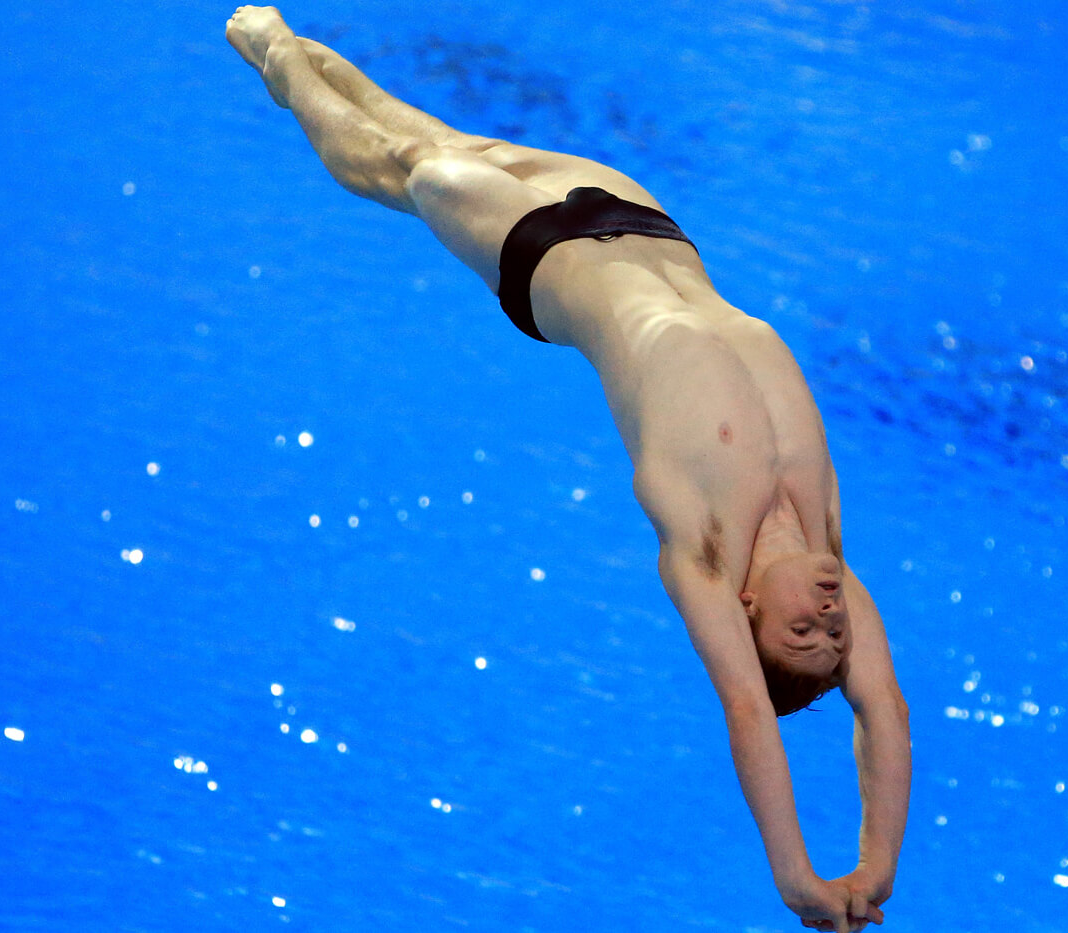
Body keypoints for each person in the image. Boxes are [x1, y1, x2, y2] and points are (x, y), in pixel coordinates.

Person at [226, 8, 911, 930]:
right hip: (647, 223)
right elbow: (884, 712)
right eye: (838, 633)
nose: (831, 618)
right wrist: (878, 862)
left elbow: (749, 713)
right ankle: (298, 47)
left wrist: (799, 879)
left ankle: (277, 59)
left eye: (805, 635)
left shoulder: (704, 557)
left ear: (748, 616)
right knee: (439, 133)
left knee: (400, 168)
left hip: (541, 258)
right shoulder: (822, 538)